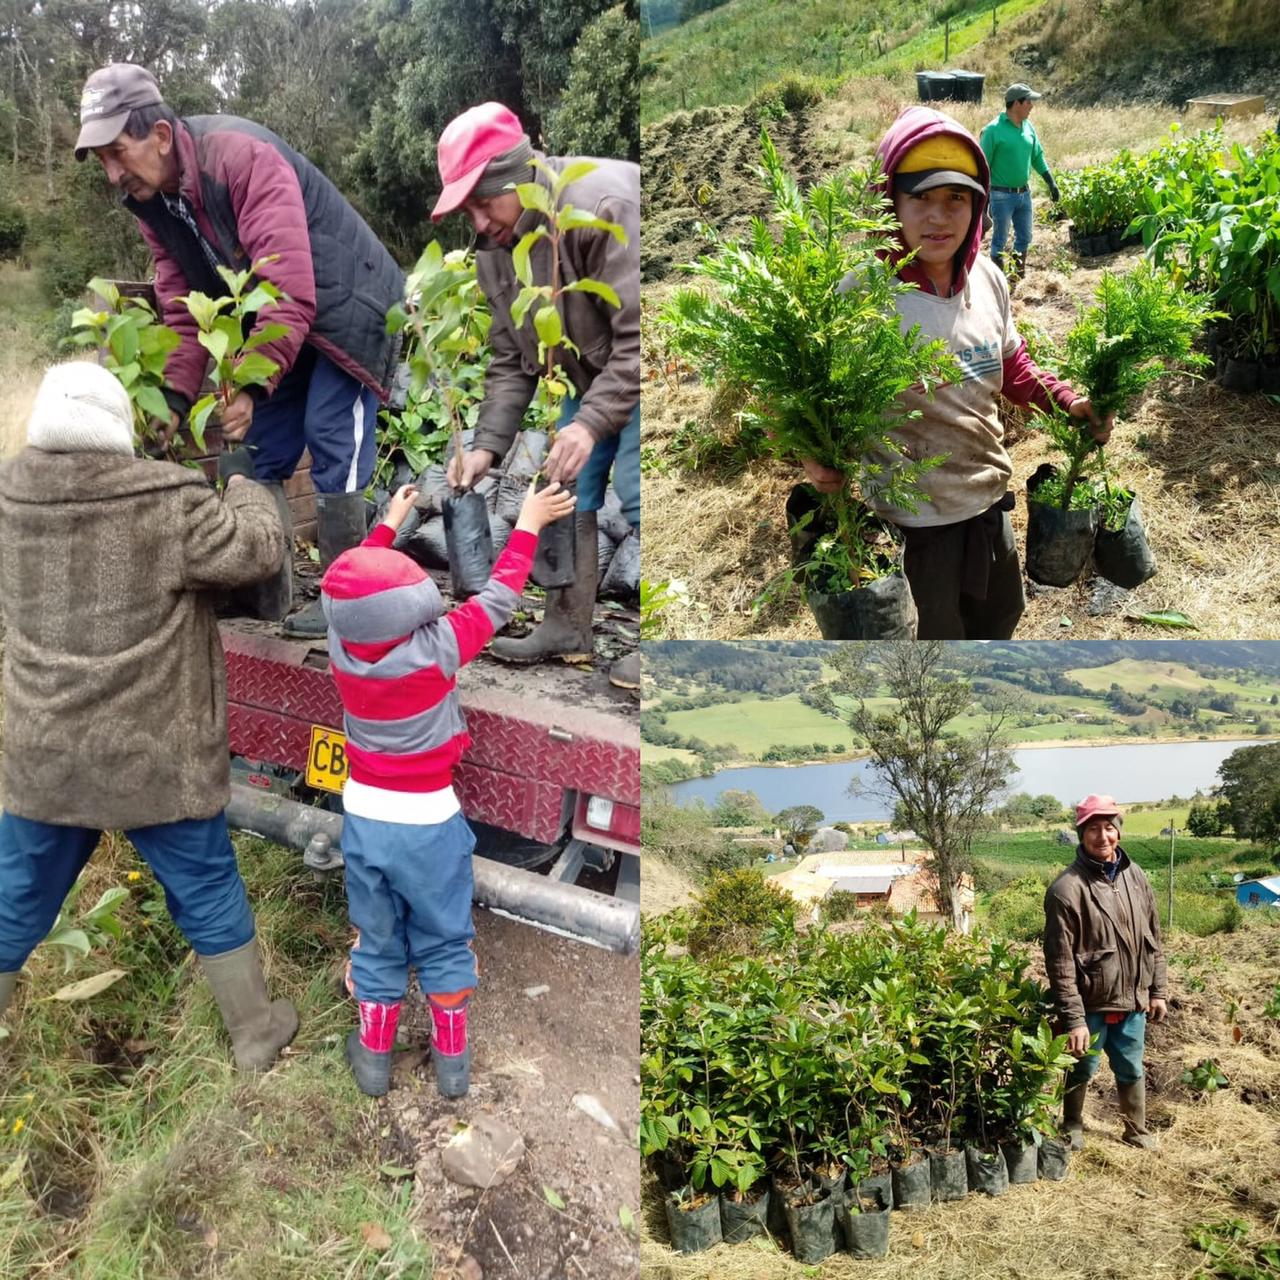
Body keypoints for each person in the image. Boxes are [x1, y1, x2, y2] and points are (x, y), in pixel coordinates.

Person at [0, 362, 297, 1072]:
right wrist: (247, 489)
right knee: (204, 885)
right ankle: (255, 1033)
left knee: (15, 895)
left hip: (46, 755)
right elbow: (255, 550)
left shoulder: (9, 499)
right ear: (116, 433)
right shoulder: (168, 503)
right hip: (153, 755)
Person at [73, 62, 405, 637]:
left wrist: (250, 384)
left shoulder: (241, 157)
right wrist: (172, 399)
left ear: (159, 136)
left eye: (115, 152)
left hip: (346, 307)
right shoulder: (153, 202)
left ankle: (344, 600)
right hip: (286, 322)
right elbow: (179, 303)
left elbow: (288, 285)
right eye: (100, 160)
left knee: (333, 434)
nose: (110, 174)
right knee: (262, 450)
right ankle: (266, 589)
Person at [800, 106, 1109, 639]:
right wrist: (812, 453)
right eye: (919, 197)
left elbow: (1011, 366)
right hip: (913, 527)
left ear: (979, 205)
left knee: (999, 619)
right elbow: (810, 399)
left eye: (956, 198)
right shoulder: (861, 295)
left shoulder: (988, 279)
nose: (938, 216)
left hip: (988, 505)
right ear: (888, 202)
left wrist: (1065, 401)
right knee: (934, 648)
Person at [323, 476, 575, 1098]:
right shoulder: (438, 649)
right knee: (443, 937)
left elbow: (351, 590)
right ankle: (453, 1067)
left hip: (364, 821)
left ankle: (375, 1060)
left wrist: (388, 522)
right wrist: (529, 525)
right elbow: (498, 599)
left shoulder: (341, 647)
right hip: (430, 825)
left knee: (378, 937)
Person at [431, 102, 640, 691]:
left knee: (639, 487)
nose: (476, 222)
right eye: (464, 210)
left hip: (652, 363)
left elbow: (639, 341)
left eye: (481, 202)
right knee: (564, 482)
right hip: (593, 371)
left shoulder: (600, 208)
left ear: (516, 180)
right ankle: (568, 625)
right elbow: (508, 359)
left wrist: (593, 423)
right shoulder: (498, 253)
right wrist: (486, 449)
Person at [1043, 794, 1168, 1151]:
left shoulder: (1136, 876)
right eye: (1093, 829)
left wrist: (1157, 989)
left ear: (1118, 832)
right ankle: (1072, 1124)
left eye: (1109, 827)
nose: (1103, 836)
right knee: (1082, 1068)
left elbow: (1154, 937)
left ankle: (1136, 1130)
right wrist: (1074, 1021)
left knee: (1131, 1067)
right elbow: (1060, 963)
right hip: (1091, 1003)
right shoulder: (1066, 890)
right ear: (1081, 834)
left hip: (1132, 1000)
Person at [979, 83, 1061, 280]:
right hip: (1001, 196)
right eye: (1029, 102)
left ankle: (1016, 278)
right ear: (1016, 103)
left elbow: (1037, 157)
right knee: (999, 241)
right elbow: (982, 166)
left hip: (1024, 194)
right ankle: (999, 283)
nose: (1032, 106)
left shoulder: (1028, 127)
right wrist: (985, 200)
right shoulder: (993, 130)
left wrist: (1051, 182)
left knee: (1024, 237)